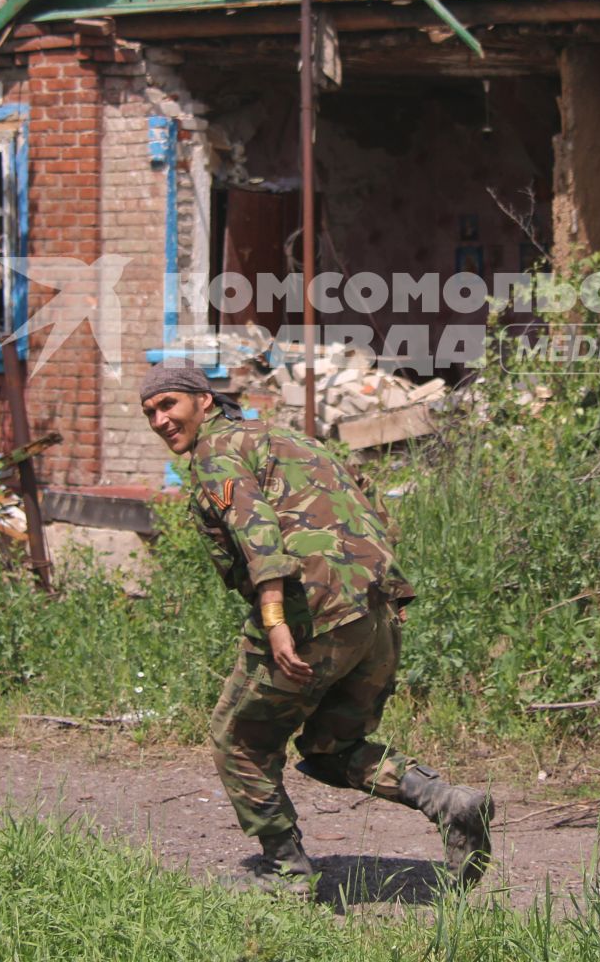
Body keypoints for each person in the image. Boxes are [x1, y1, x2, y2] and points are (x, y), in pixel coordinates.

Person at [139, 363, 494, 894]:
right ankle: (449, 801)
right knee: (331, 746)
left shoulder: (217, 451)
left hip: (313, 610)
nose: (160, 420)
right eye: (150, 412)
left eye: (168, 404)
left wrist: (276, 622)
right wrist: (388, 597)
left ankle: (287, 868)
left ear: (204, 401)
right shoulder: (285, 436)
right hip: (374, 611)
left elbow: (257, 535)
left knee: (236, 738)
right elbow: (369, 502)